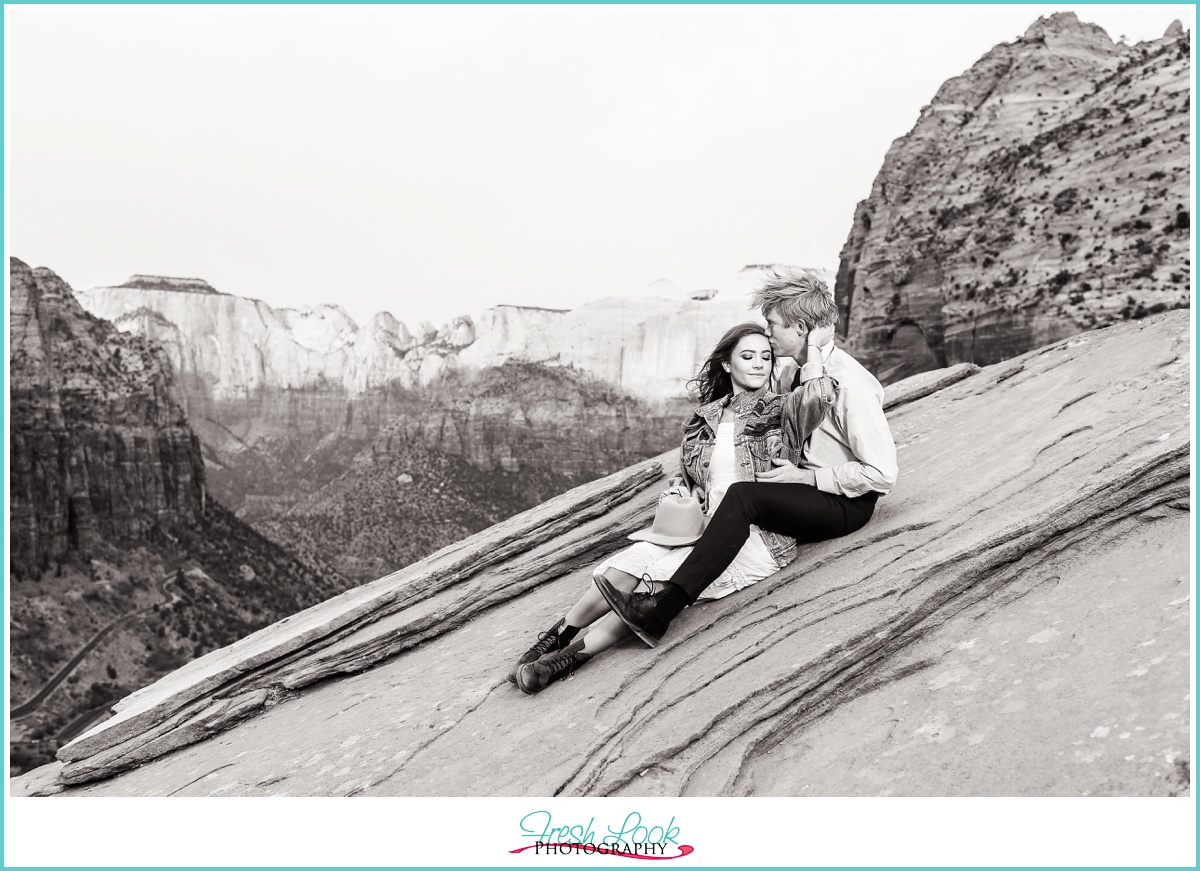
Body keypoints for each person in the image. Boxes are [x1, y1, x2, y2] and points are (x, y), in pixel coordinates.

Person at [511, 321, 837, 694]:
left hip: (754, 534)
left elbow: (820, 397)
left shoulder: (782, 410)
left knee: (659, 579)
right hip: (702, 524)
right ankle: (557, 635)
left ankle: (566, 658)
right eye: (747, 356)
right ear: (727, 365)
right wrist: (686, 492)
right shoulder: (703, 419)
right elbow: (693, 477)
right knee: (630, 562)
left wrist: (813, 348)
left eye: (766, 357)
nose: (760, 364)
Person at [596, 267, 898, 647]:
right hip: (800, 492)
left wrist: (807, 478)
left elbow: (883, 474)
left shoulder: (852, 385)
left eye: (773, 324)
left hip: (844, 502)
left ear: (802, 328)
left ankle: (663, 607)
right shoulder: (792, 371)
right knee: (736, 498)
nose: (767, 333)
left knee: (744, 496)